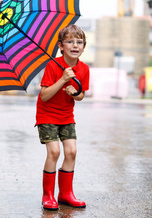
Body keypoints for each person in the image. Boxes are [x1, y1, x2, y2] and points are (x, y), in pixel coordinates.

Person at [35, 24, 89, 210]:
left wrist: (75, 93)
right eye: (70, 42)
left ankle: (65, 193)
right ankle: (48, 195)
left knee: (71, 151)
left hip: (66, 115)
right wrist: (63, 80)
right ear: (61, 46)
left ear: (84, 46)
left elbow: (81, 95)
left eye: (79, 42)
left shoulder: (84, 69)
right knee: (54, 152)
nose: (75, 45)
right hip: (47, 114)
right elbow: (44, 95)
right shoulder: (52, 65)